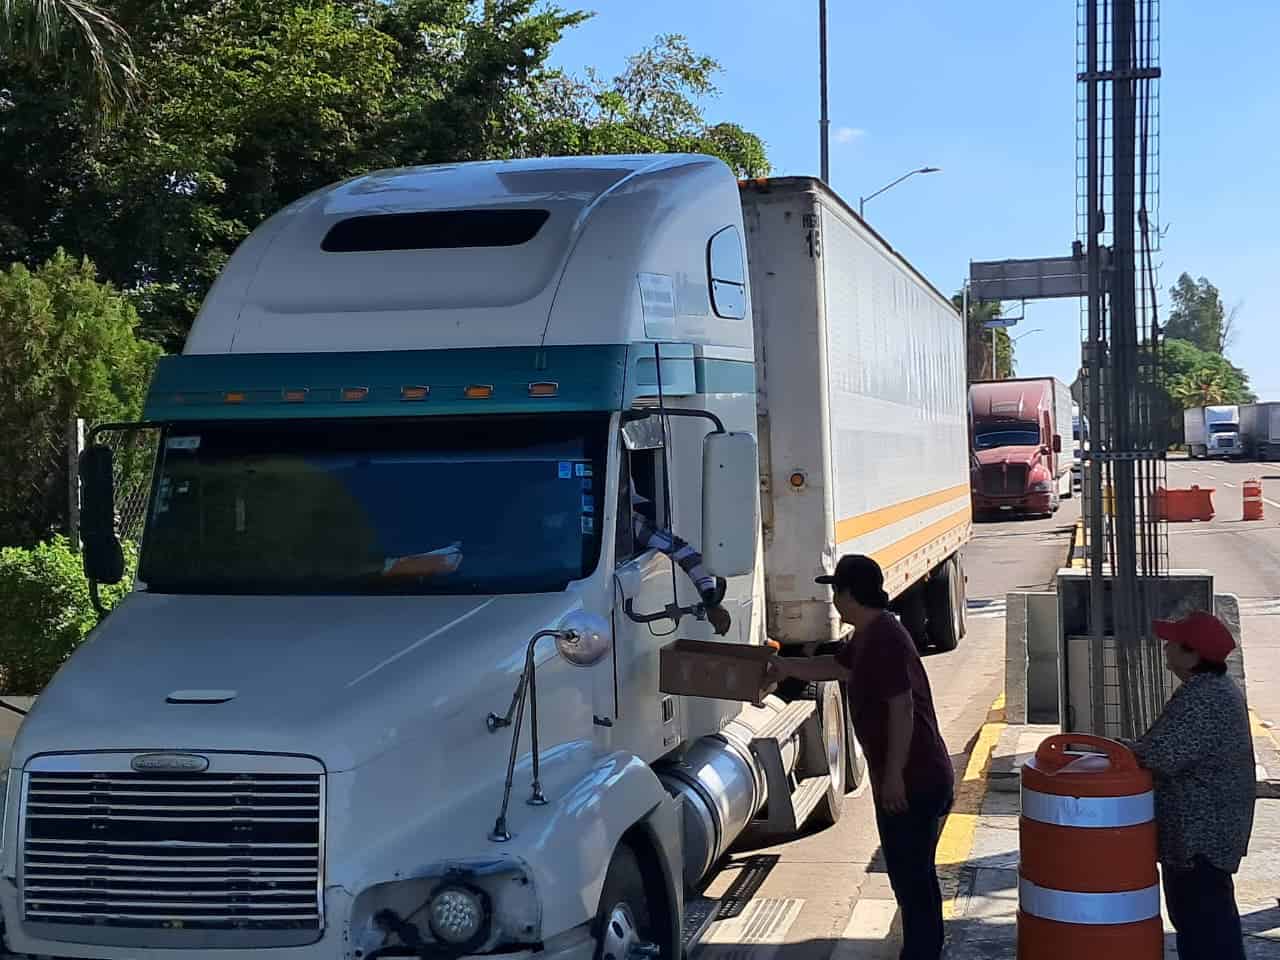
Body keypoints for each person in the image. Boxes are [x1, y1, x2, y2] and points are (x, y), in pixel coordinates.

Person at [765, 555, 953, 960]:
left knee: (913, 878)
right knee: (910, 876)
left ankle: (922, 953)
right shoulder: (868, 635)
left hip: (916, 777)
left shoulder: (884, 637)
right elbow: (835, 667)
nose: (834, 600)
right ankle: (923, 949)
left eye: (836, 591)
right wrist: (785, 666)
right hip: (908, 775)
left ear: (849, 595)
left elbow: (902, 709)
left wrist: (895, 777)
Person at [1129, 611, 1255, 960]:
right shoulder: (1209, 690)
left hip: (1200, 837)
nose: (1165, 648)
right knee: (1205, 922)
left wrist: (1121, 750)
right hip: (1203, 833)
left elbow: (1161, 755)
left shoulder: (1205, 699)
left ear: (1192, 655)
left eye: (1172, 643)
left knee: (1205, 928)